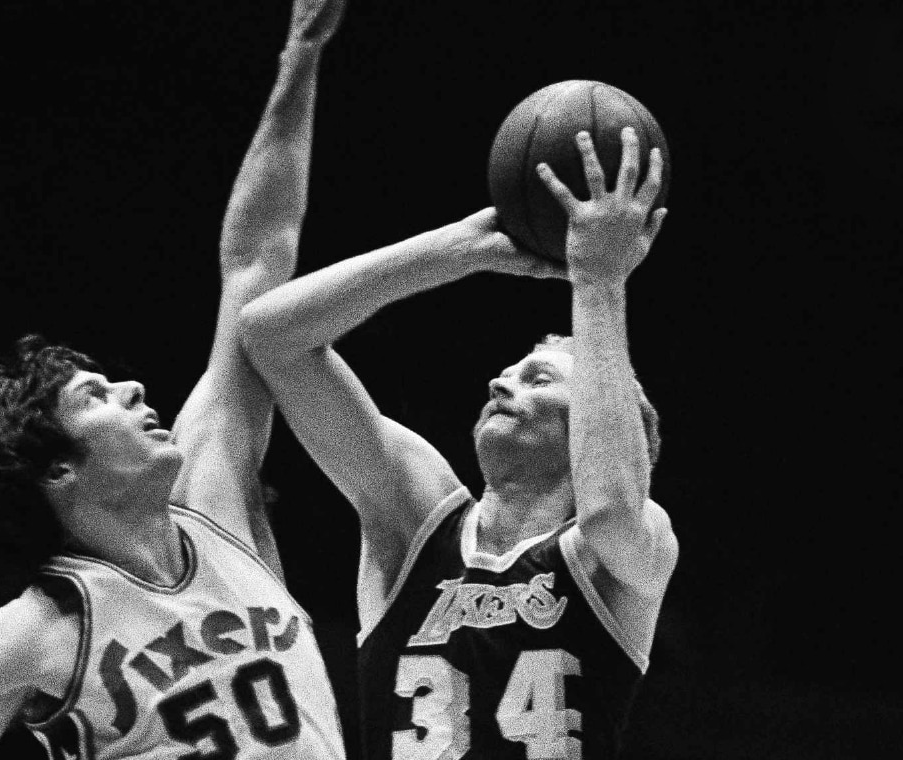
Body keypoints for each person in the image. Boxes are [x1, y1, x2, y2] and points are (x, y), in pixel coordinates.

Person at [0, 2, 348, 758]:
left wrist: (300, 56)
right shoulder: (33, 631)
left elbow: (257, 263)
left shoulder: (216, 501)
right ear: (59, 469)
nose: (135, 391)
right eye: (95, 397)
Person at [240, 126, 678, 759]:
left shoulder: (625, 551)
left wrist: (599, 284)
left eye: (537, 376)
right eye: (512, 369)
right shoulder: (418, 516)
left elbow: (610, 505)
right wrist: (455, 250)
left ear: (602, 423)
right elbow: (270, 336)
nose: (500, 381)